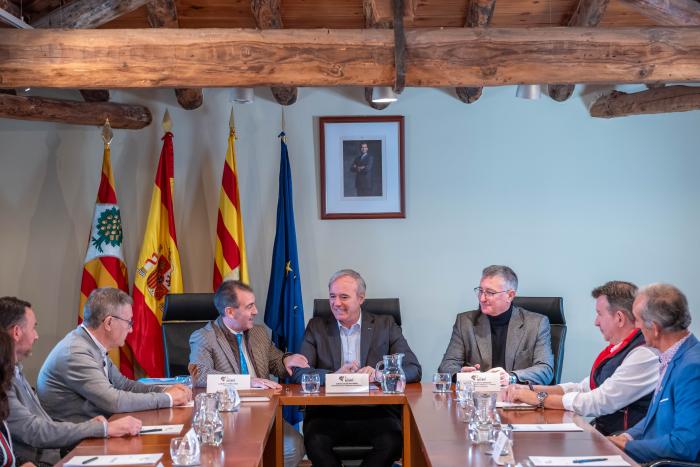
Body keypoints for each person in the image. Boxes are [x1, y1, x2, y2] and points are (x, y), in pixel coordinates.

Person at [292, 269, 422, 467]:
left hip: (376, 412)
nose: (336, 303)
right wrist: (334, 377)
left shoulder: (385, 325)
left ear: (361, 298)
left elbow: (413, 369)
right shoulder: (316, 326)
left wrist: (380, 374)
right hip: (328, 413)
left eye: (344, 297)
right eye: (332, 296)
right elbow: (299, 372)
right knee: (316, 443)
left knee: (391, 442)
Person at [0, 297, 142, 465]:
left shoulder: (14, 370)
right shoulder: (75, 351)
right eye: (33, 328)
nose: (36, 336)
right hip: (45, 459)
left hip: (53, 454)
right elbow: (33, 430)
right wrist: (100, 428)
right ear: (16, 332)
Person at [505, 281, 659, 435]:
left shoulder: (644, 354)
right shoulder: (619, 349)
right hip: (604, 436)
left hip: (624, 448)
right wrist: (529, 388)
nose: (596, 322)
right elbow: (583, 388)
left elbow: (600, 401)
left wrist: (538, 398)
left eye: (599, 314)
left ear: (619, 318)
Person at [188, 280, 307, 467]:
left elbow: (276, 361)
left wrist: (286, 360)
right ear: (230, 312)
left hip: (265, 413)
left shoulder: (259, 333)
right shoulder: (204, 337)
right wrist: (248, 382)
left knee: (293, 446)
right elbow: (201, 375)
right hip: (227, 417)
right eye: (250, 306)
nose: (256, 311)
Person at [37, 288, 191, 423]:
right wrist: (168, 399)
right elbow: (114, 401)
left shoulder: (91, 344)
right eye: (129, 323)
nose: (130, 330)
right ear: (109, 323)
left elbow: (124, 385)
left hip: (100, 429)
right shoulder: (76, 353)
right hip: (77, 446)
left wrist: (163, 390)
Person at [608, 284, 700, 463]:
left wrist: (626, 447)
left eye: (637, 320)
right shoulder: (672, 356)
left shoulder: (692, 368)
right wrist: (626, 437)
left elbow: (684, 445)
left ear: (655, 328)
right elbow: (654, 417)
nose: (635, 325)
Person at [438, 265, 554, 385]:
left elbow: (545, 370)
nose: (482, 298)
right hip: (477, 398)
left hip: (517, 398)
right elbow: (446, 366)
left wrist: (510, 377)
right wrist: (460, 374)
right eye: (480, 291)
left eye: (490, 292)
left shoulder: (536, 324)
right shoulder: (465, 322)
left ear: (510, 295)